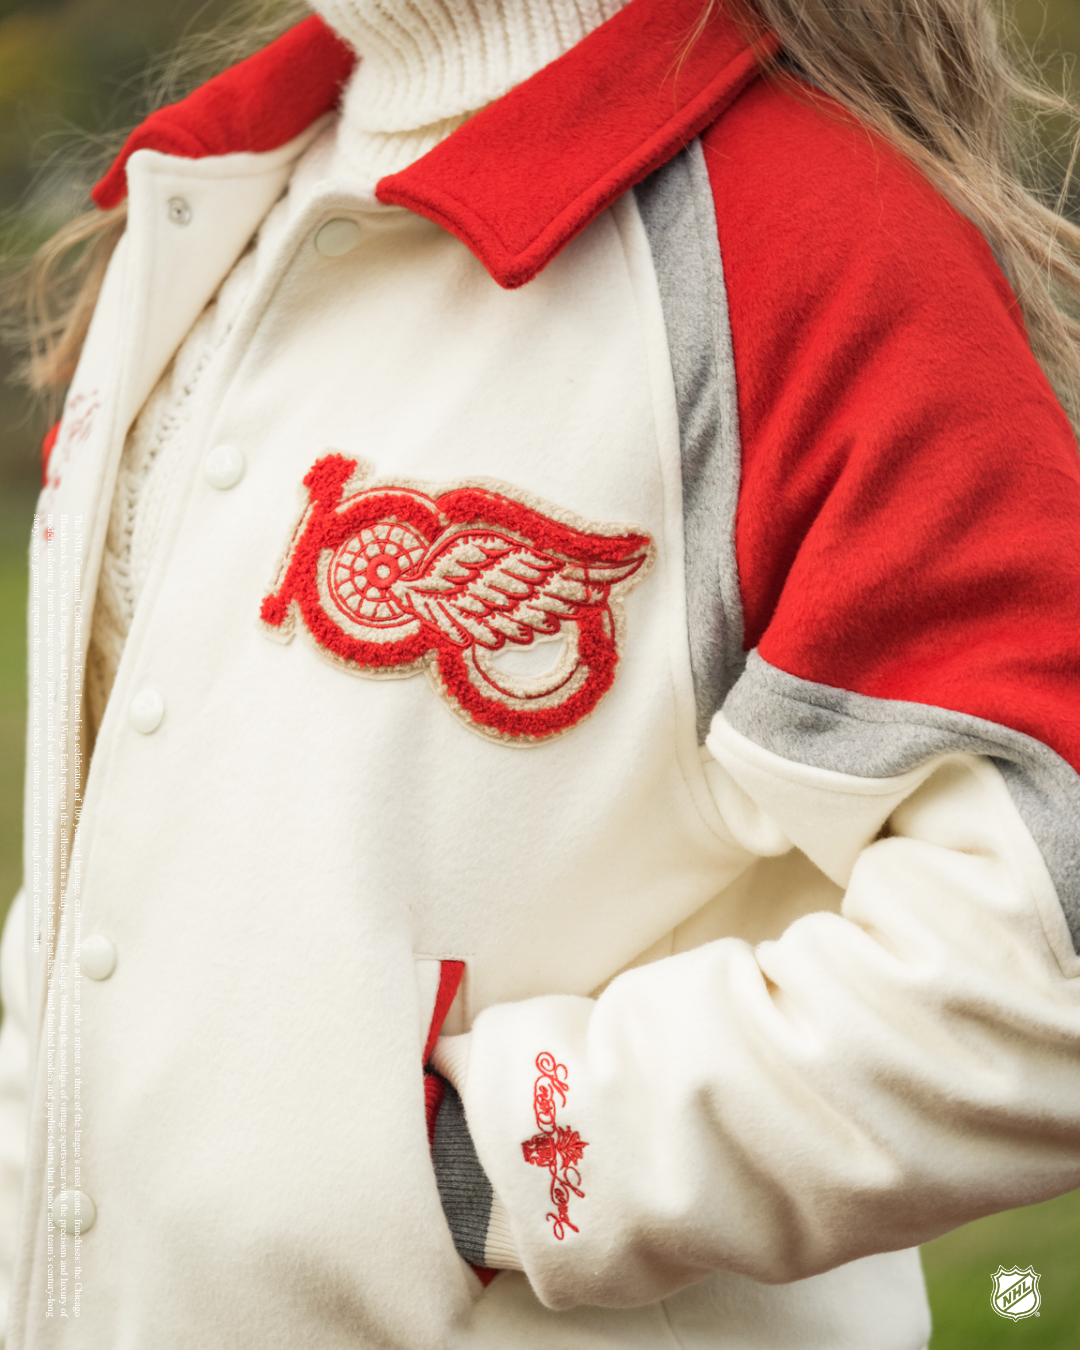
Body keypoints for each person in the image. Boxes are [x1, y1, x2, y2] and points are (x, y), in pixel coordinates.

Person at [1, 0, 1079, 1344]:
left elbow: (1044, 969)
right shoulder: (210, 197)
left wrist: (490, 1165)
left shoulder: (811, 234)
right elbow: (111, 887)